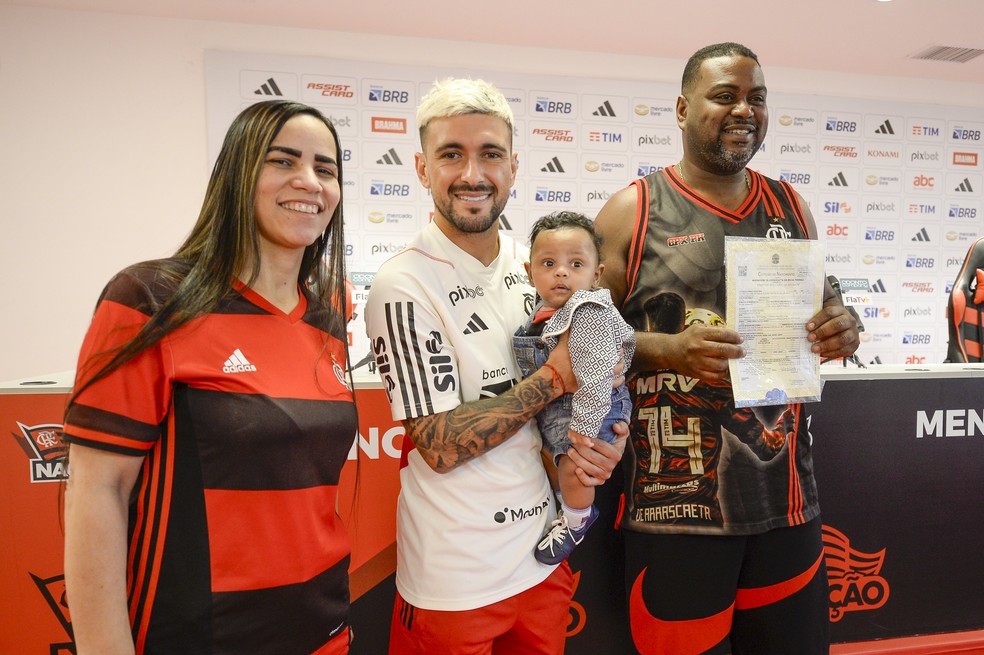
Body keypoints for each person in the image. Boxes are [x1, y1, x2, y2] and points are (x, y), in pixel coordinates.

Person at [62, 100, 357, 655]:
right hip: (199, 636)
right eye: (283, 161)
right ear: (237, 176)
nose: (308, 181)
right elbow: (96, 491)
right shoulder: (151, 298)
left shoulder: (329, 318)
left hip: (321, 628)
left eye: (325, 168)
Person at [593, 43, 860, 655]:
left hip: (786, 502)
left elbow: (828, 302)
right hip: (676, 508)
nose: (744, 109)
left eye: (756, 97)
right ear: (683, 109)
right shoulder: (632, 211)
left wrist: (842, 324)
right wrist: (667, 350)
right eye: (725, 96)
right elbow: (572, 339)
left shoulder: (790, 206)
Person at [364, 78, 626, 655]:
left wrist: (598, 441)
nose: (472, 173)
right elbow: (438, 442)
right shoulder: (402, 284)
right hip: (457, 578)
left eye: (490, 154)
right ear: (421, 167)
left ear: (513, 167)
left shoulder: (536, 265)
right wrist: (557, 376)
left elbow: (593, 373)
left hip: (543, 553)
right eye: (451, 154)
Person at [512, 211, 635, 565]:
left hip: (590, 409)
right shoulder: (544, 312)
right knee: (559, 466)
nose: (561, 272)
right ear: (529, 271)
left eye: (576, 263)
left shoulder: (588, 311)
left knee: (573, 465)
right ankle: (567, 510)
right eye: (548, 263)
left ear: (597, 274)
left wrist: (582, 430)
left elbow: (596, 377)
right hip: (558, 409)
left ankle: (577, 522)